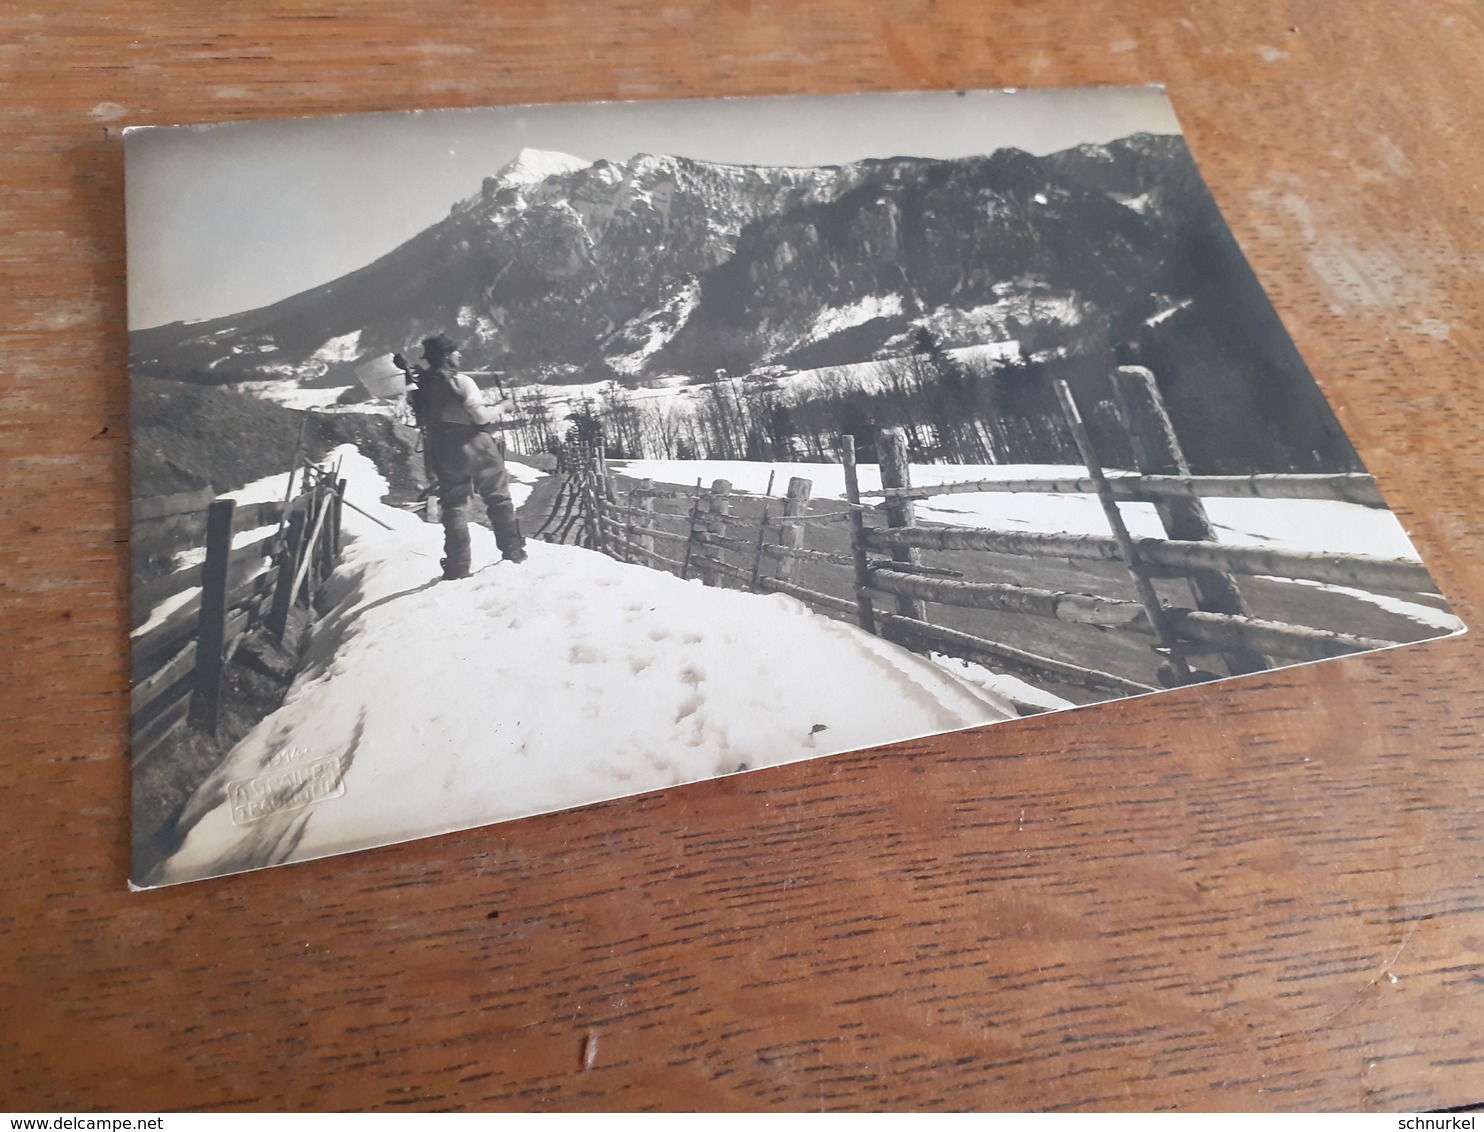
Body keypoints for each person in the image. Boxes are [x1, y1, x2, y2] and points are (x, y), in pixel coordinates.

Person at [402, 334, 526, 578]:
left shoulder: (420, 385)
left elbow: (415, 401)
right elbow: (480, 417)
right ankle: (513, 551)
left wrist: (411, 373)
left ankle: (458, 565)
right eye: (456, 352)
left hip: (442, 449)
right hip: (475, 445)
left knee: (454, 505)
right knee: (498, 498)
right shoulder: (462, 382)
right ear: (447, 356)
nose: (460, 356)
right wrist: (503, 406)